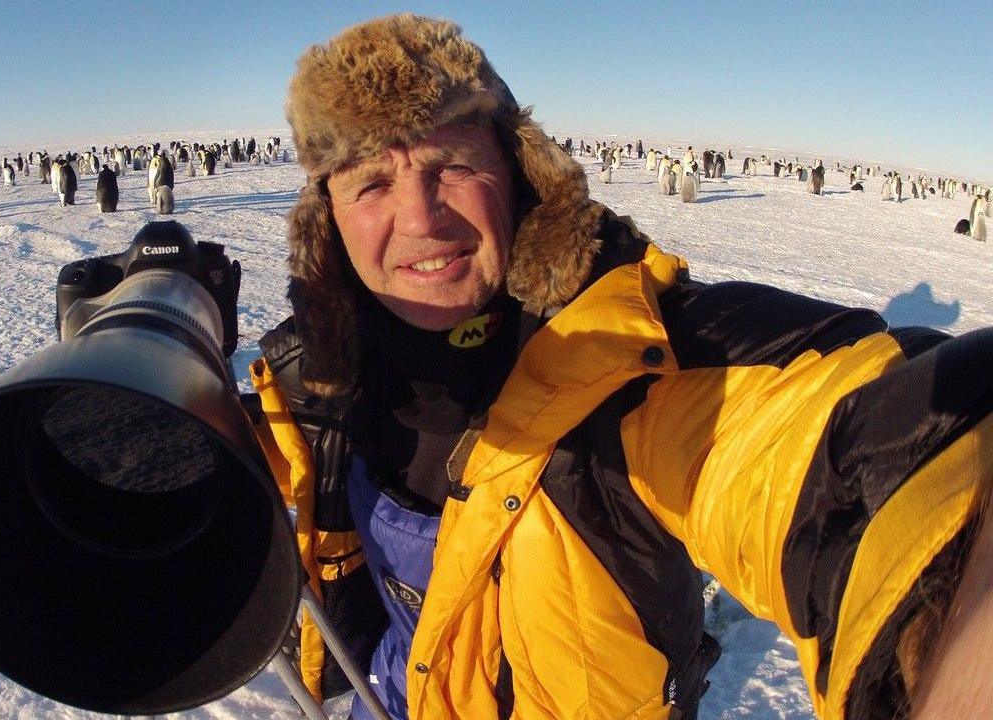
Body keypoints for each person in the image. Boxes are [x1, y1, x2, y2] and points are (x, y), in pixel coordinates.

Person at [246, 14, 992, 720]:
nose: (419, 216)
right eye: (372, 183)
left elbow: (846, 445)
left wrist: (958, 586)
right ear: (328, 221)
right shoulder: (311, 383)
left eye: (452, 166)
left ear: (518, 177)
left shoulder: (633, 364)